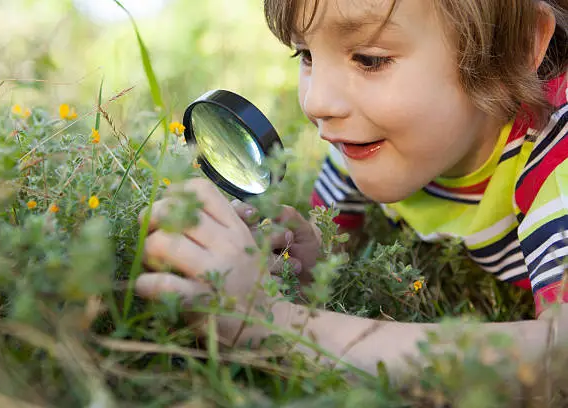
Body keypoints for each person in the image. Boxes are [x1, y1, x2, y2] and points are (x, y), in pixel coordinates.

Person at [135, 0, 568, 377]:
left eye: (370, 59)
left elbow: (556, 359)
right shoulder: (362, 144)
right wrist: (312, 269)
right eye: (305, 55)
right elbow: (334, 254)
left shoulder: (555, 161)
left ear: (516, 46)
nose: (317, 102)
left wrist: (275, 325)